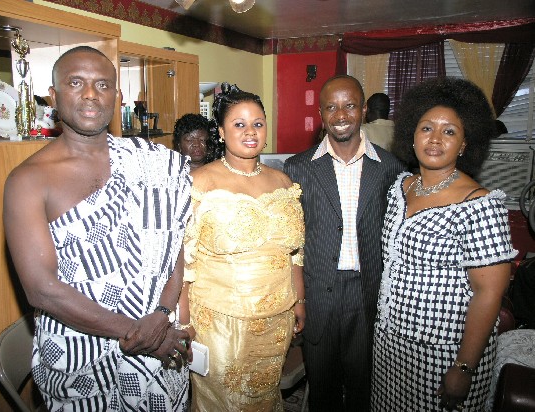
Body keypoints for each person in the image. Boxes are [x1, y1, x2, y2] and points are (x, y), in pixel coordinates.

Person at [3, 46, 192, 411]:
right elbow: (43, 292)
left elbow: (174, 243)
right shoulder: (27, 180)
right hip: (80, 358)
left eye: (103, 84)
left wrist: (162, 313)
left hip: (159, 343)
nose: (91, 94)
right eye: (76, 82)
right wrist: (141, 334)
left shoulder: (152, 162)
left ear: (117, 97)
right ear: (54, 96)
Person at [371, 77, 518, 411]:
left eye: (449, 131)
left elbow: (489, 293)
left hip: (446, 353)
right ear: (412, 133)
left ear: (465, 143)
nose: (435, 139)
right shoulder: (401, 188)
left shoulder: (478, 205)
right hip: (391, 347)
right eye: (426, 128)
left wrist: (463, 367)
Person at [178, 82, 305, 411]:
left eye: (258, 124)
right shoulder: (200, 182)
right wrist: (182, 320)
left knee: (266, 398)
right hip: (222, 324)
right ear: (220, 132)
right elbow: (179, 257)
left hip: (277, 320)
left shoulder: (283, 182)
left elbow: (295, 253)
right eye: (239, 124)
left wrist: (299, 300)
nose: (250, 132)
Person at [284, 75, 404, 411]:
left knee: (364, 387)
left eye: (349, 105)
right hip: (318, 292)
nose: (341, 114)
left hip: (368, 292)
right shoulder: (297, 168)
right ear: (321, 114)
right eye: (331, 107)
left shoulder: (390, 167)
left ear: (363, 110)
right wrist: (297, 299)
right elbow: (290, 243)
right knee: (322, 389)